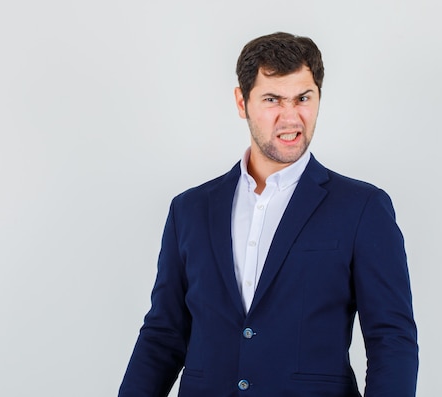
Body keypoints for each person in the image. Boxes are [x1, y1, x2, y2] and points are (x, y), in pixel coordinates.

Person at [119, 32, 418, 397]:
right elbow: (164, 334)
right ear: (242, 103)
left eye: (303, 98)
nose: (291, 117)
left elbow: (392, 340)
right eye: (272, 99)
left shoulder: (362, 207)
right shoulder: (190, 209)